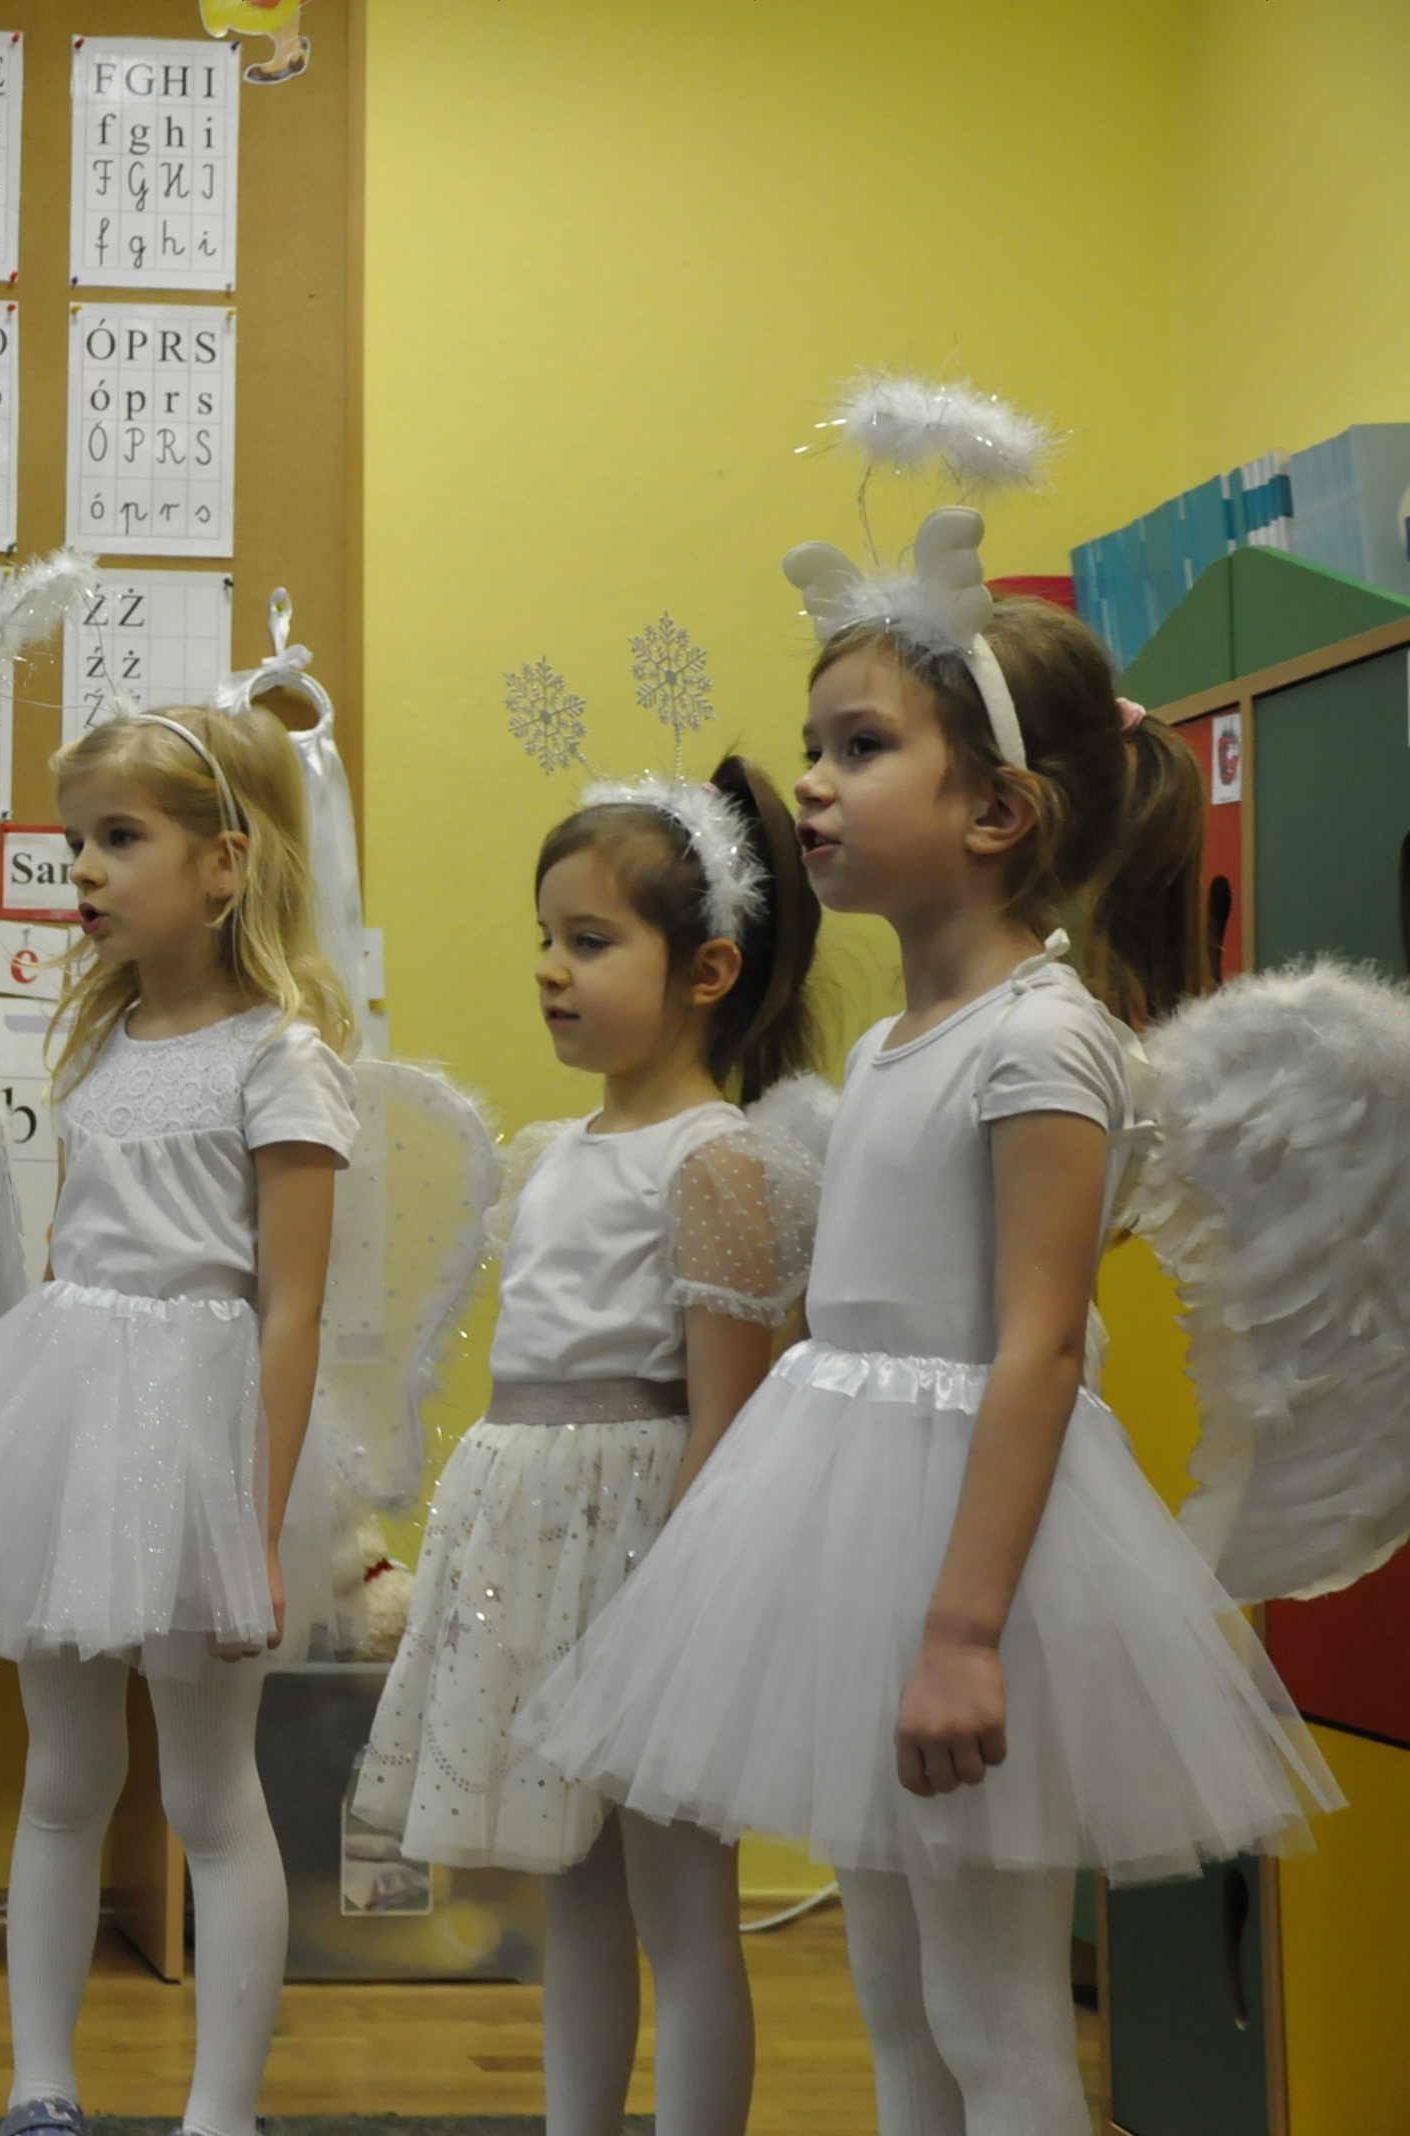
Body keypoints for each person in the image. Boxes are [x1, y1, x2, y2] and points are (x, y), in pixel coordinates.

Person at [520, 516, 1342, 2134]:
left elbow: (1040, 1347)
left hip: (979, 1566)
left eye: (861, 747)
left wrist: (963, 1635)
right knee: (896, 1998)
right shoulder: (896, 1042)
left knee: (992, 2017)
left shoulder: (1042, 1043)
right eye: (816, 745)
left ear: (994, 810)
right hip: (857, 1534)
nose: (812, 783)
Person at [0, 704, 354, 2136]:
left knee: (210, 1795)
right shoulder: (105, 1039)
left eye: (122, 838)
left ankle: (219, 2112)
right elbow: (78, 1251)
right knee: (62, 1775)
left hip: (200, 1438)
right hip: (74, 1410)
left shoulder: (282, 1056)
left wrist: (251, 1521)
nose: (86, 870)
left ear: (225, 863)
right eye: (77, 843)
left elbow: (289, 1309)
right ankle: (40, 2087)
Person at [355, 761, 824, 2136]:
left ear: (707, 970)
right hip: (531, 1545)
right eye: (546, 938)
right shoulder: (554, 1151)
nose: (551, 970)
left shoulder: (715, 1163)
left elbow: (728, 1413)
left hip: (648, 1552)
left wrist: (684, 1607)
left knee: (683, 1908)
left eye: (592, 940)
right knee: (574, 1895)